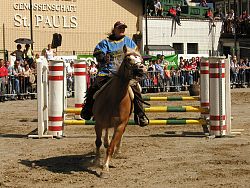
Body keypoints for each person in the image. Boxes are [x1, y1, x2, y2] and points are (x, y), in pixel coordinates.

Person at [81, 21, 149, 127]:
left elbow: (137, 54)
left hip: (126, 74)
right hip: (107, 72)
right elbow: (97, 52)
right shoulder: (106, 42)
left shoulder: (129, 42)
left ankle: (140, 115)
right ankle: (87, 109)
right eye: (120, 28)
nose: (122, 30)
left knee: (136, 91)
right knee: (94, 87)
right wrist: (102, 57)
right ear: (115, 29)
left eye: (123, 28)